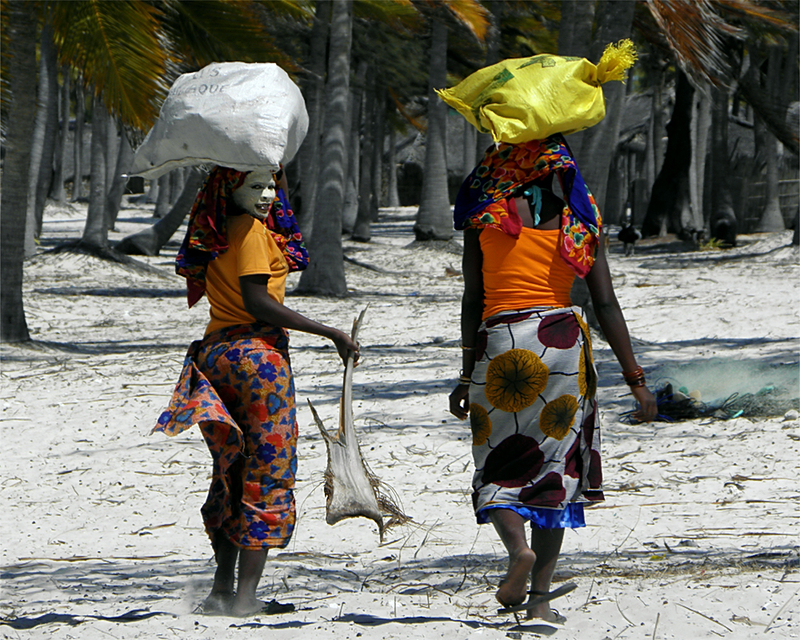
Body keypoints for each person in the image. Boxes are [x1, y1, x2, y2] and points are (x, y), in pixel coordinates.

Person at [448, 135, 657, 623]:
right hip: (561, 340)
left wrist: (464, 374)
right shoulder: (579, 219)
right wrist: (636, 379)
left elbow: (472, 299)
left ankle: (516, 549)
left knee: (498, 466)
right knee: (554, 472)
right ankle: (540, 601)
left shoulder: (485, 217)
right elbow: (604, 303)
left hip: (500, 339)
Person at [154, 165, 359, 617]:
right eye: (256, 186)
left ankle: (220, 591)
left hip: (214, 354)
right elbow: (256, 300)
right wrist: (329, 332)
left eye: (271, 185)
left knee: (231, 467)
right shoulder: (248, 230)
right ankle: (246, 598)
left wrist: (274, 168)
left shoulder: (216, 227)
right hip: (255, 358)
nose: (267, 194)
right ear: (232, 188)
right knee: (268, 471)